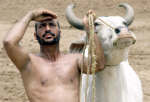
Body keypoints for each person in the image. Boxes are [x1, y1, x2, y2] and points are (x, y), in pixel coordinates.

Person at [3, 9, 105, 102]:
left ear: (60, 32)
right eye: (42, 26)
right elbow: (9, 42)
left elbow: (99, 64)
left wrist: (89, 28)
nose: (47, 29)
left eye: (52, 25)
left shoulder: (75, 60)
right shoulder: (28, 63)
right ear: (35, 35)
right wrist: (31, 15)